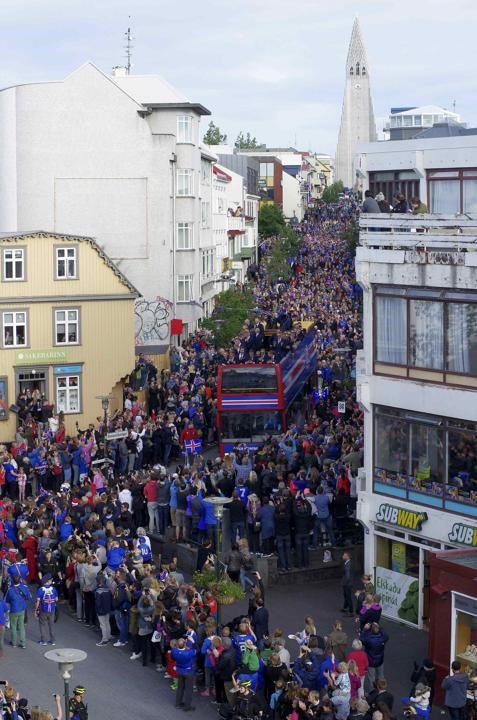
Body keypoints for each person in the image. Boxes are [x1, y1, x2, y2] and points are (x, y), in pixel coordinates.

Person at [361, 623, 389, 691]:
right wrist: (380, 628)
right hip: (380, 660)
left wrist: (365, 629)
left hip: (371, 661)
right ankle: (382, 689)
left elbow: (361, 639)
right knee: (381, 675)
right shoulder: (382, 638)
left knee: (372, 678)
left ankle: (372, 691)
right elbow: (386, 636)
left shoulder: (368, 639)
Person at [5, 574, 31, 649]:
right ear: (20, 580)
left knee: (13, 626)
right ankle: (23, 643)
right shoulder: (24, 587)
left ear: (12, 581)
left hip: (13, 609)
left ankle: (14, 643)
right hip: (22, 609)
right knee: (21, 626)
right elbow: (28, 597)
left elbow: (7, 600)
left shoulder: (10, 590)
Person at [172, 637, 197, 711]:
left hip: (179, 671)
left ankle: (178, 703)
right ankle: (187, 706)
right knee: (189, 690)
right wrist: (193, 642)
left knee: (180, 688)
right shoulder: (188, 652)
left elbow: (173, 657)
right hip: (188, 671)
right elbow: (196, 651)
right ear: (185, 644)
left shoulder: (174, 651)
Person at [36, 573, 58, 646]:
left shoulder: (40, 589)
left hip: (43, 610)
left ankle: (43, 641)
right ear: (48, 581)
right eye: (51, 580)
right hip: (52, 609)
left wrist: (36, 610)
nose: (52, 581)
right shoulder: (53, 589)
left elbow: (38, 601)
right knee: (51, 625)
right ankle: (52, 641)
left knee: (42, 624)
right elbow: (56, 599)